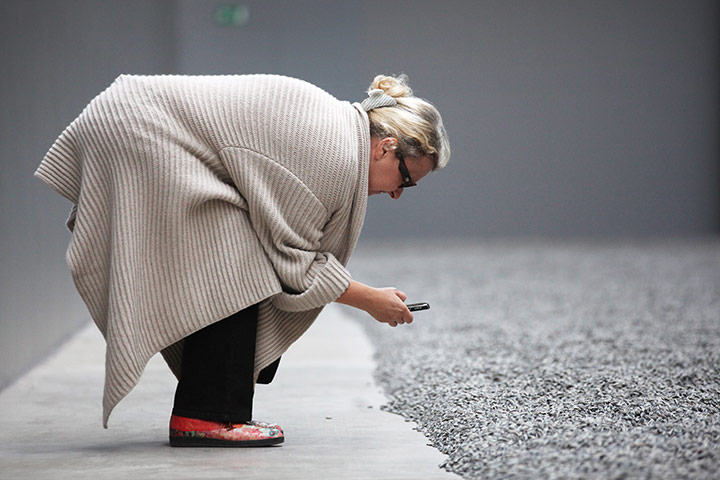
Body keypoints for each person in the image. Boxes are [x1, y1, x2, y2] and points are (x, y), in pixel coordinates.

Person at [35, 73, 450, 447]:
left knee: (242, 250)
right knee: (239, 261)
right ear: (386, 147)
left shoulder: (340, 134)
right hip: (138, 131)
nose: (397, 194)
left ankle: (208, 411)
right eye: (406, 180)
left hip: (137, 121)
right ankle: (205, 416)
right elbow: (295, 263)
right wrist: (369, 300)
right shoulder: (336, 156)